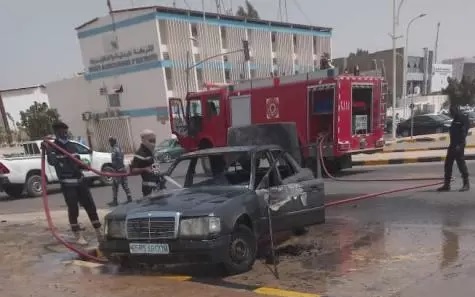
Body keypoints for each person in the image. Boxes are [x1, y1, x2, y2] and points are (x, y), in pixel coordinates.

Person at [46, 122, 103, 245]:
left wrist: (84, 165)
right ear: (57, 132)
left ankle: (99, 232)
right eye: (62, 132)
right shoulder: (53, 147)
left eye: (66, 131)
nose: (65, 134)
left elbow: (79, 161)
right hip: (67, 183)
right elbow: (52, 162)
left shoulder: (72, 146)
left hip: (80, 181)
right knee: (73, 209)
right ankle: (78, 235)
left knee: (90, 206)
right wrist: (49, 150)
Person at [437, 105, 470, 192]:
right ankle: (446, 185)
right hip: (452, 144)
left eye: (451, 111)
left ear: (456, 110)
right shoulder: (455, 119)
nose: (450, 113)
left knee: (461, 164)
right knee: (448, 164)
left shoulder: (462, 118)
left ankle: (466, 184)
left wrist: (459, 145)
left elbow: (464, 133)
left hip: (459, 145)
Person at [130, 129, 163, 196]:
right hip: (149, 189)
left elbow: (155, 167)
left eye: (154, 141)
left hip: (158, 186)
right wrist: (144, 169)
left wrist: (160, 176)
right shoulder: (140, 154)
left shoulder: (151, 152)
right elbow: (133, 170)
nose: (153, 143)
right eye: (151, 141)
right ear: (143, 140)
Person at [107, 136, 132, 206]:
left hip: (117, 170)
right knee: (125, 184)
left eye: (110, 142)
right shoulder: (120, 148)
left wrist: (114, 169)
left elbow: (114, 160)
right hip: (123, 168)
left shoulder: (114, 150)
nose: (109, 143)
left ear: (112, 142)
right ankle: (129, 198)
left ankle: (115, 201)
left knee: (115, 186)